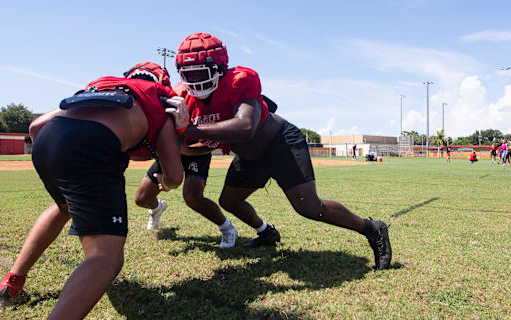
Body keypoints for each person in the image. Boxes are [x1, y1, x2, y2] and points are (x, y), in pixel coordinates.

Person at [0, 68, 184, 320]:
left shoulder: (102, 87)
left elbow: (36, 127)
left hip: (50, 142)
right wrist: (164, 179)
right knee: (106, 256)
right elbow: (175, 175)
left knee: (64, 208)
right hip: (90, 147)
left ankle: (12, 281)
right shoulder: (157, 100)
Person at [164, 32, 391, 269]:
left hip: (280, 143)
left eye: (202, 72)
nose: (196, 80)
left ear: (220, 68)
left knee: (309, 207)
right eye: (189, 74)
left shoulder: (239, 79)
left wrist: (190, 128)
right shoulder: (184, 98)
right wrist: (183, 149)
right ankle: (266, 232)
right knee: (229, 201)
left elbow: (244, 127)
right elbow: (206, 141)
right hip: (249, 156)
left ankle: (372, 228)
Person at [131, 63, 238, 248]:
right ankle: (157, 209)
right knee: (141, 198)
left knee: (192, 197)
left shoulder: (216, 103)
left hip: (195, 151)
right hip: (172, 149)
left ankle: (227, 228)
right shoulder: (173, 96)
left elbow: (209, 145)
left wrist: (183, 153)